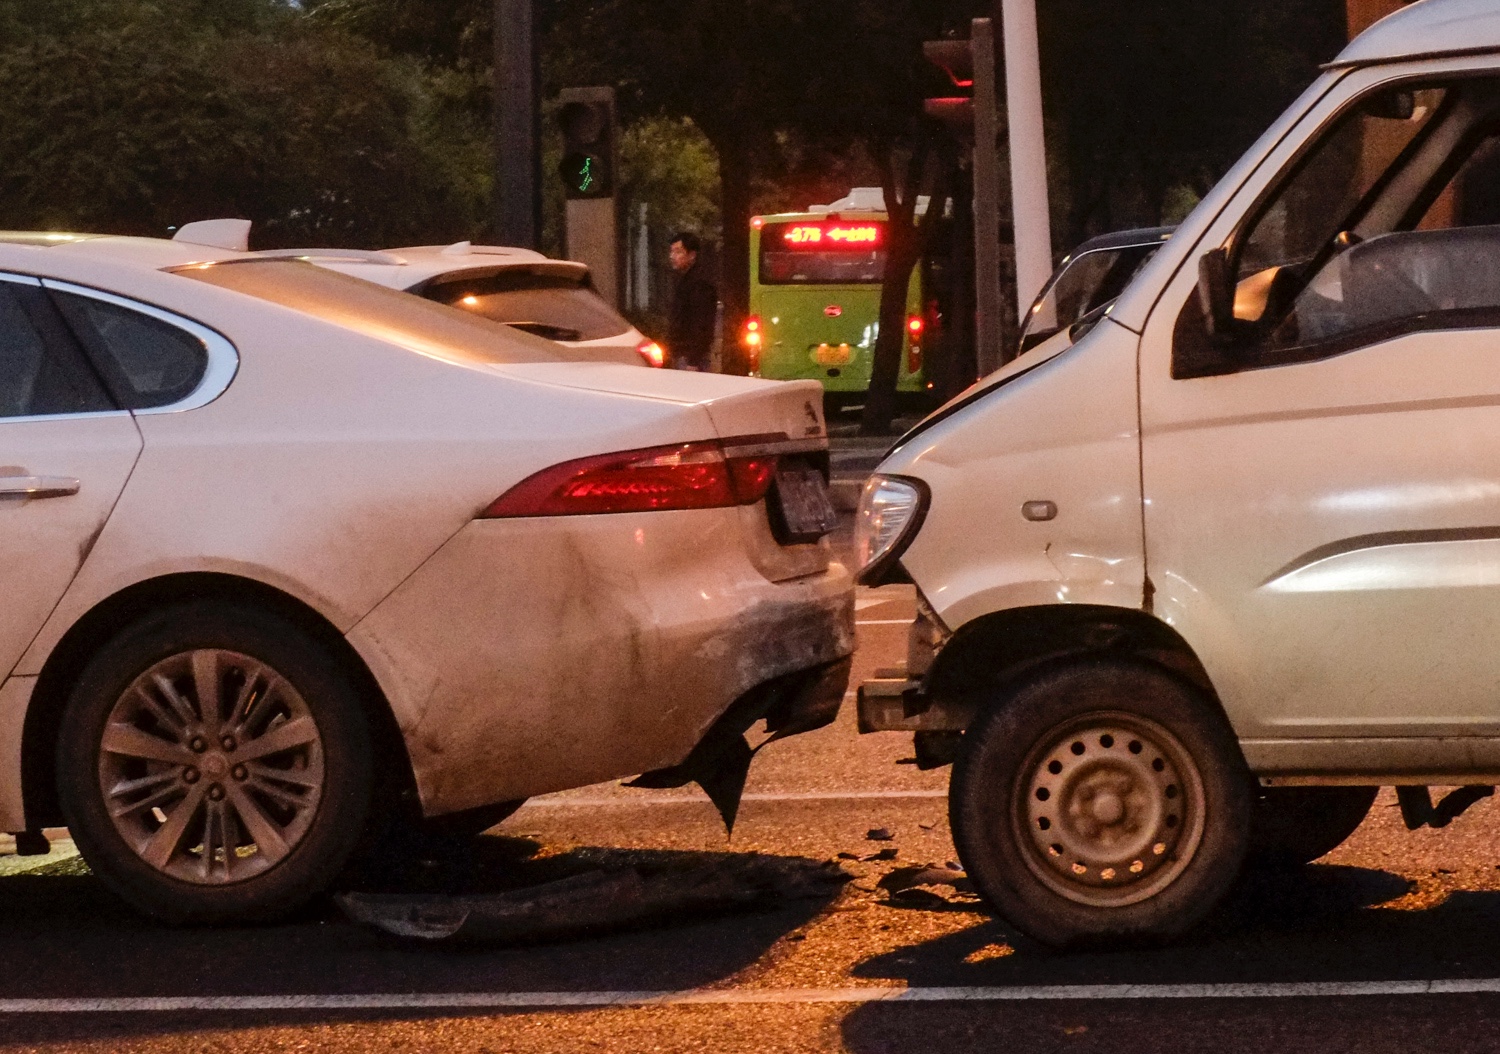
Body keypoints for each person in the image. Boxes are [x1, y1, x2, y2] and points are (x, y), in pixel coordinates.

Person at [666, 231, 718, 371]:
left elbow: (702, 323)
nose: (672, 256)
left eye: (678, 252)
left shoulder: (700, 283)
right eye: (671, 252)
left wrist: (693, 361)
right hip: (683, 354)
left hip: (690, 358)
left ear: (692, 255)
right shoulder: (685, 280)